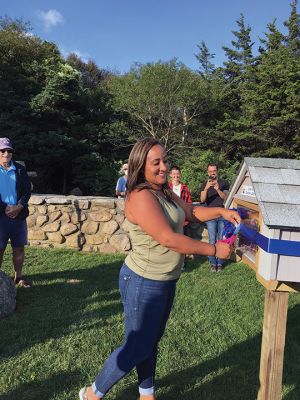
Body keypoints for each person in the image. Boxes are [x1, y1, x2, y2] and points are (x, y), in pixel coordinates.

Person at [79, 138, 240, 400]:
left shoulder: (163, 190)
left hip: (165, 280)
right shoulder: (141, 196)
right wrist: (214, 250)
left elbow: (190, 212)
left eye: (165, 160)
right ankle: (92, 394)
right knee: (136, 346)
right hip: (143, 281)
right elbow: (169, 239)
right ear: (140, 166)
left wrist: (221, 211)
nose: (164, 167)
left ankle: (146, 393)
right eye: (157, 162)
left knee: (149, 341)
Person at [0, 137, 32, 288]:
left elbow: (27, 190)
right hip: (1, 216)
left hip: (18, 215)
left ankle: (18, 277)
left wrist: (19, 206)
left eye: (9, 150)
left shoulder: (19, 168)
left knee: (18, 248)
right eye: (3, 150)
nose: (6, 153)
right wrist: (4, 207)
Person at [199, 163, 230, 272]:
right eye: (210, 171)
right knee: (212, 240)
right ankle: (213, 263)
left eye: (214, 171)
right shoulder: (204, 184)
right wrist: (206, 189)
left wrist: (217, 189)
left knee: (221, 240)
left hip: (222, 215)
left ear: (217, 171)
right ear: (208, 173)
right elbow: (202, 200)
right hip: (210, 216)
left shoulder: (224, 183)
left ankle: (220, 263)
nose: (212, 173)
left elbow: (225, 198)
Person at [168, 165, 192, 270]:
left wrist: (187, 216)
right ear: (170, 175)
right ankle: (171, 264)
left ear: (180, 174)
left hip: (183, 219)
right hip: (170, 217)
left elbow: (189, 203)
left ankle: (181, 264)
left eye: (177, 173)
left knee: (182, 242)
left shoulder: (185, 188)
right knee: (171, 241)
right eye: (173, 173)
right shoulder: (166, 187)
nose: (176, 175)